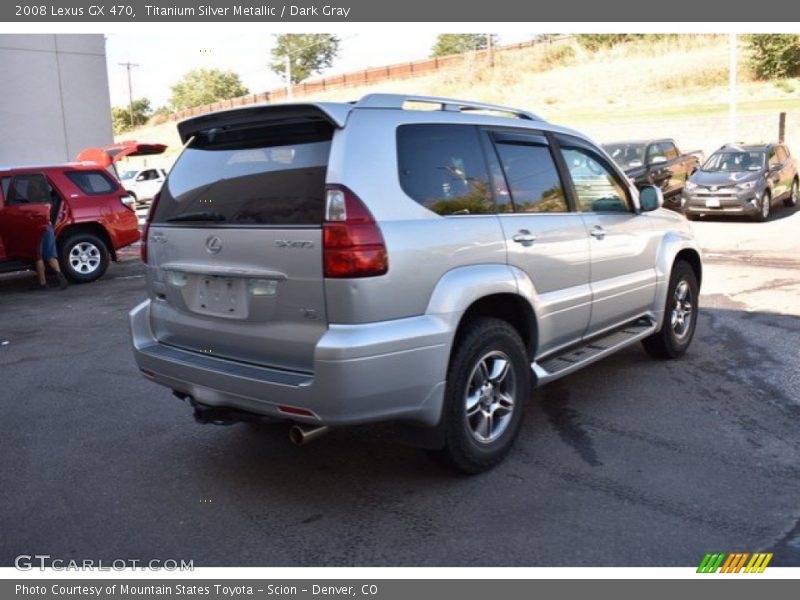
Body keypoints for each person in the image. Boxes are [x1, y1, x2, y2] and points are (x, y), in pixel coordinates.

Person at [33, 223, 68, 291]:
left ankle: (43, 283)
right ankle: (61, 277)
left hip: (37, 227)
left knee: (38, 257)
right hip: (48, 226)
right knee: (51, 256)